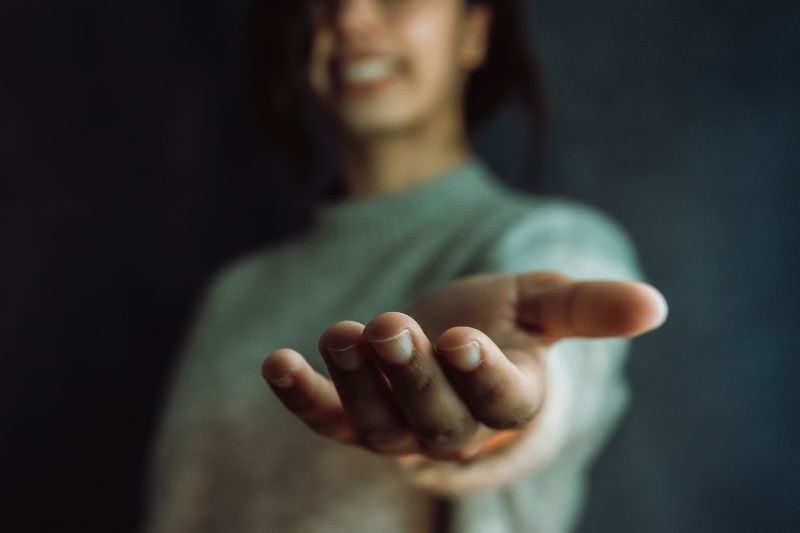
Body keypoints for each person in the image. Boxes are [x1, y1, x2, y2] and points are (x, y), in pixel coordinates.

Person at [140, 0, 668, 532]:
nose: (348, 19)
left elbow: (556, 380)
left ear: (474, 31)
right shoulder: (235, 293)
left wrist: (502, 407)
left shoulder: (551, 239)